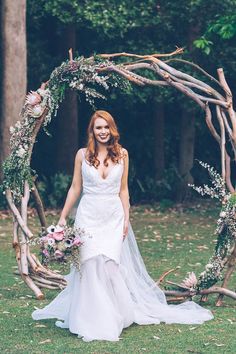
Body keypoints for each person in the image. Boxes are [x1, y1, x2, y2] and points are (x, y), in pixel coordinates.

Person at [32, 110, 213, 342]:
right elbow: (75, 188)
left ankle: (115, 313)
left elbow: (124, 190)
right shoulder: (82, 155)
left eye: (106, 127)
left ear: (112, 128)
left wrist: (126, 218)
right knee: (88, 265)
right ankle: (90, 319)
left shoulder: (122, 154)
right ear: (92, 131)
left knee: (109, 266)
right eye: (98, 127)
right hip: (88, 216)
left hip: (113, 216)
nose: (103, 131)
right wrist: (62, 218)